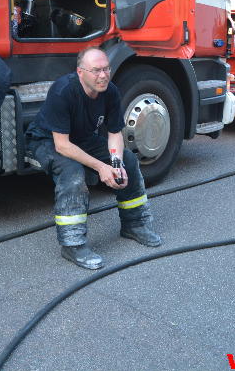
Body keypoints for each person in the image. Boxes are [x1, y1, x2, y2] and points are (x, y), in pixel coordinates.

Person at [25, 46, 161, 269]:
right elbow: (63, 146)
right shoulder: (63, 91)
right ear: (80, 72)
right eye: (96, 70)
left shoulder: (111, 92)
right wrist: (101, 167)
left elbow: (114, 132)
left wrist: (115, 164)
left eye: (106, 69)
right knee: (73, 173)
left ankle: (134, 224)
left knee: (128, 161)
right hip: (47, 140)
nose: (103, 75)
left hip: (82, 138)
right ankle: (73, 244)